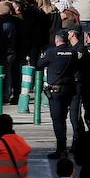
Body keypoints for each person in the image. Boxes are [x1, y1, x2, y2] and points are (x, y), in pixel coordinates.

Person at [36, 30, 81, 159]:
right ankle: (65, 147)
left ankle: (61, 149)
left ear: (56, 40)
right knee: (64, 118)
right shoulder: (73, 52)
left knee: (58, 120)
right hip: (69, 89)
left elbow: (39, 65)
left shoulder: (51, 52)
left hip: (56, 91)